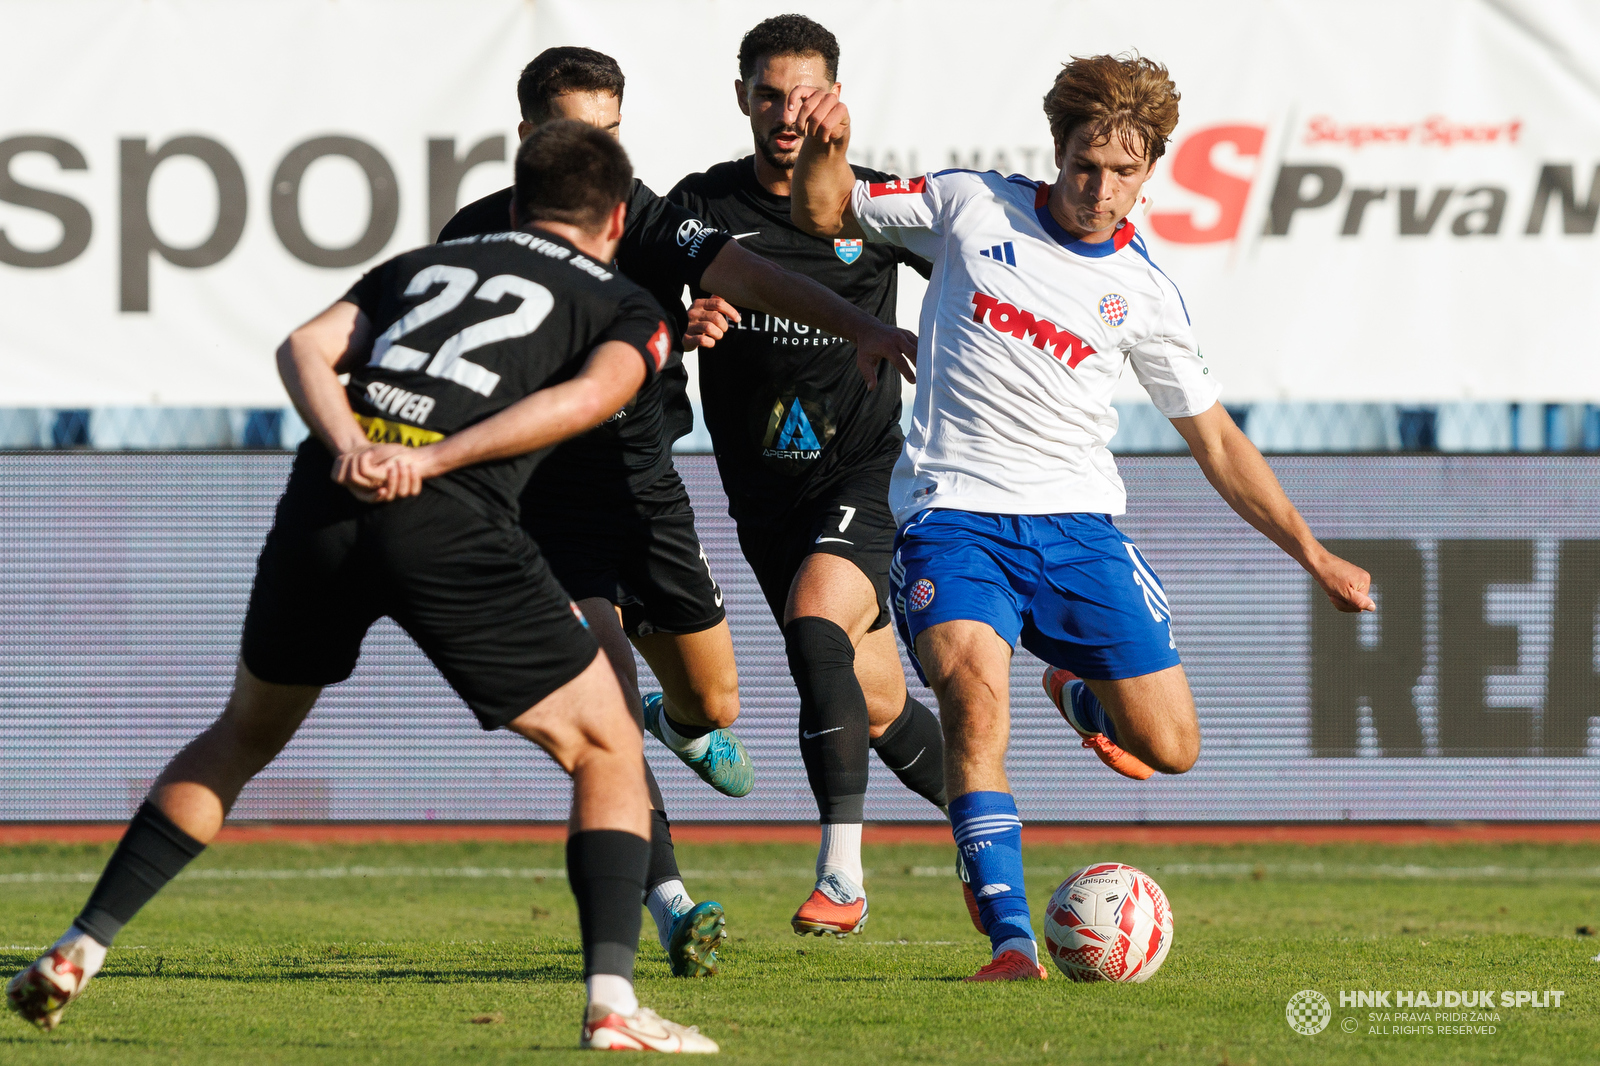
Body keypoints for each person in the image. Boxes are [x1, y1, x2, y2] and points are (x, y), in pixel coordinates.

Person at [7, 122, 718, 1052]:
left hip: (326, 501)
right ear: (619, 217)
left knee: (241, 735)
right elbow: (587, 401)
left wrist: (352, 447)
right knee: (609, 749)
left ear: (514, 202)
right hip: (450, 517)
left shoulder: (424, 267)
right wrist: (442, 458)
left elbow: (304, 348)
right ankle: (613, 1007)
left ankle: (76, 949)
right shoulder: (624, 300)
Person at [789, 53, 1375, 980]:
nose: (1100, 190)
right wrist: (828, 151)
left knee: (1171, 749)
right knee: (975, 711)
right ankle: (1013, 941)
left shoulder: (1144, 293)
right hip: (956, 519)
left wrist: (1316, 555)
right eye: (1084, 167)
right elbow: (825, 211)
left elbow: (1218, 443)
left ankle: (1075, 681)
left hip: (1079, 534)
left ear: (1152, 173)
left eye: (1123, 173)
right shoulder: (968, 206)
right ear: (1057, 153)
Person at [439, 47, 919, 954]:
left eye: (612, 135)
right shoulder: (473, 237)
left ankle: (685, 726)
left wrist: (858, 325)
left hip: (646, 491)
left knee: (717, 703)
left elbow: (740, 269)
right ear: (528, 137)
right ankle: (669, 906)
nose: (600, 154)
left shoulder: (643, 212)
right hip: (543, 505)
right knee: (607, 704)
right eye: (579, 135)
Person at [667, 15, 948, 940]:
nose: (788, 114)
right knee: (870, 698)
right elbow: (634, 321)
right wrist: (684, 328)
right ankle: (994, 827)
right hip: (764, 499)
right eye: (768, 94)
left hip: (865, 472)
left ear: (833, 99)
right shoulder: (699, 208)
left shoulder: (870, 208)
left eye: (806, 95)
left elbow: (981, 268)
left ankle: (843, 876)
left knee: (815, 620)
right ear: (741, 95)